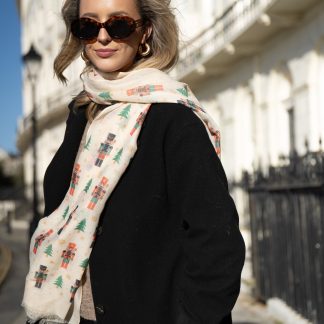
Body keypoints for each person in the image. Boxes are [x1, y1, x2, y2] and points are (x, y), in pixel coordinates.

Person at [22, 0, 246, 323]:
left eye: (119, 25)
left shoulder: (173, 118)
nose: (102, 37)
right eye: (88, 26)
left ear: (145, 32)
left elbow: (217, 248)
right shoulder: (83, 115)